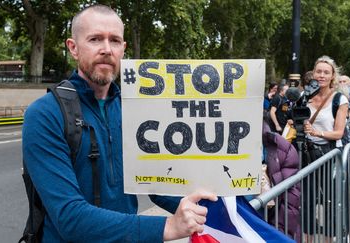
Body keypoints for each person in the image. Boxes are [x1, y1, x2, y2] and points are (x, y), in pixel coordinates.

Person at [22, 4, 217, 242]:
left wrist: (217, 203)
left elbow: (156, 183)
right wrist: (167, 227)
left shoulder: (134, 109)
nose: (106, 49)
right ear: (73, 48)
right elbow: (69, 217)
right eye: (95, 39)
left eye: (114, 41)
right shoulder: (44, 114)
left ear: (123, 49)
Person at [301, 55, 350, 239]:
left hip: (329, 155)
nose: (321, 75)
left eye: (326, 72)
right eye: (318, 71)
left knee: (329, 201)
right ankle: (307, 240)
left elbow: (338, 133)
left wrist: (317, 133)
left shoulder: (340, 99)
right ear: (313, 73)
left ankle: (330, 239)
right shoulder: (304, 96)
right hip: (306, 154)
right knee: (307, 202)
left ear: (332, 76)